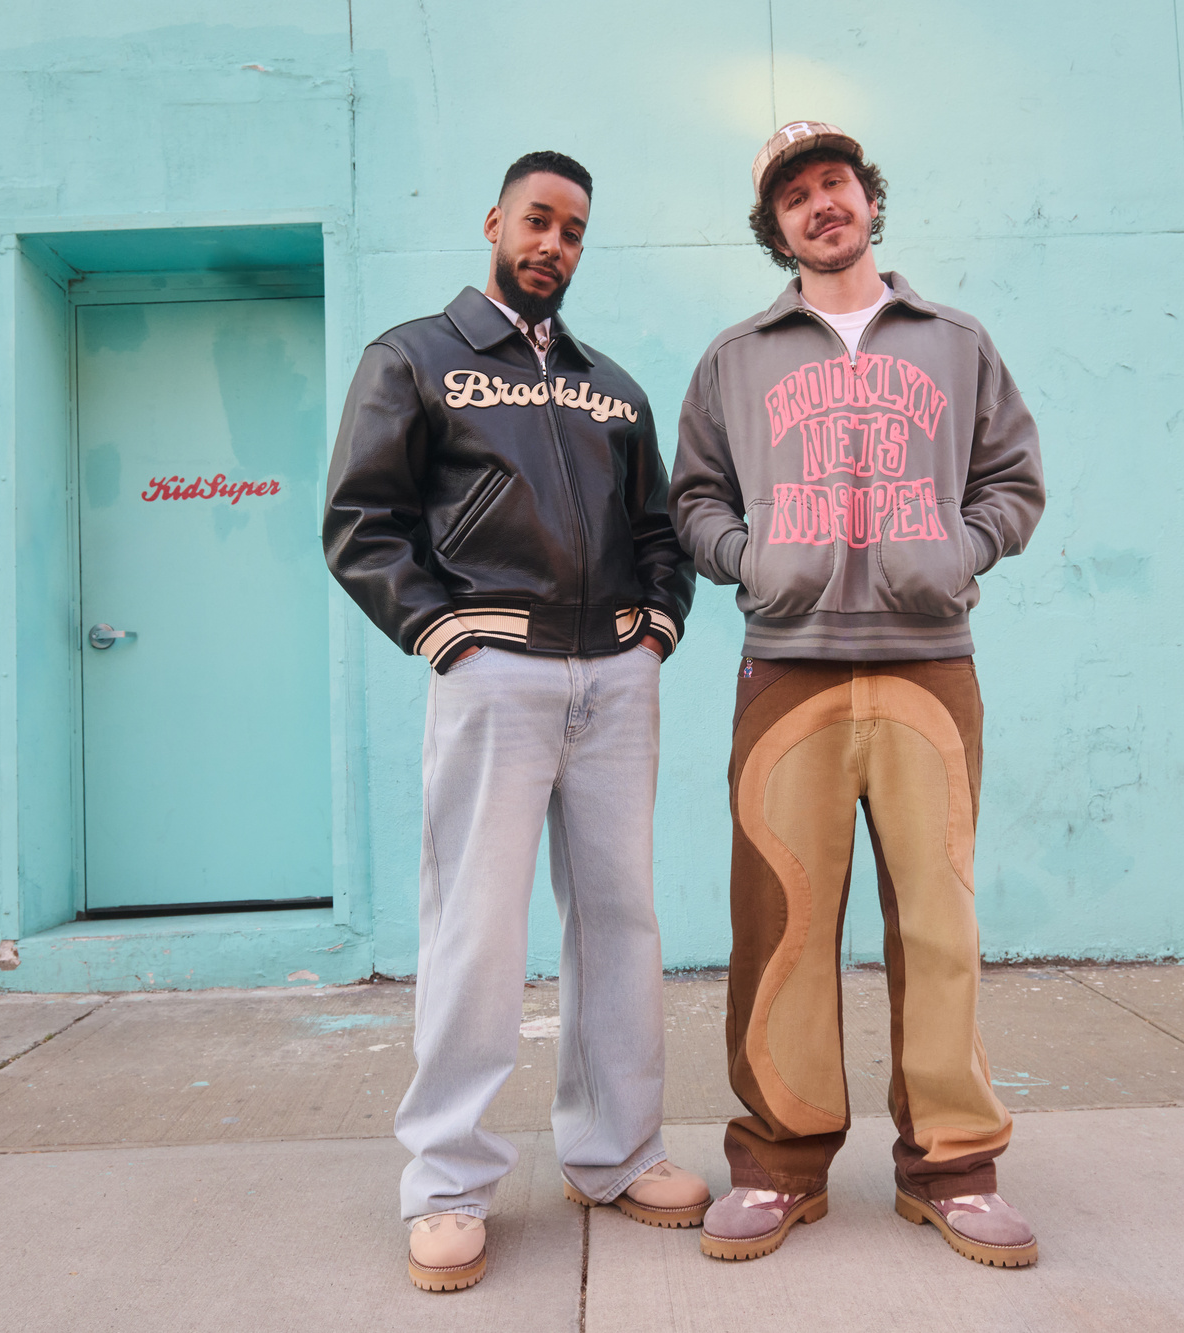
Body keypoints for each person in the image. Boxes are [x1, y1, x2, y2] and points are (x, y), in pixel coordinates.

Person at [324, 150, 706, 1293]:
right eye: (538, 221)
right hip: (495, 672)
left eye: (575, 231)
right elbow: (361, 521)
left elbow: (659, 530)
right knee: (475, 931)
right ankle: (445, 1184)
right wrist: (447, 636)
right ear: (494, 220)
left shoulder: (610, 386)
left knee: (620, 922)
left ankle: (616, 1149)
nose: (554, 245)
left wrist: (657, 632)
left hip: (614, 682)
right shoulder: (416, 358)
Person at [668, 122, 1046, 1268]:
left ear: (867, 200)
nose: (818, 205)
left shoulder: (955, 340)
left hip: (930, 663)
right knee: (777, 924)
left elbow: (1015, 482)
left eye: (833, 183)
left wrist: (960, 550)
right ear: (771, 226)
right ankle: (779, 1165)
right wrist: (746, 557)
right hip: (786, 668)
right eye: (793, 194)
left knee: (937, 922)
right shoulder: (735, 357)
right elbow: (690, 499)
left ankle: (952, 1168)